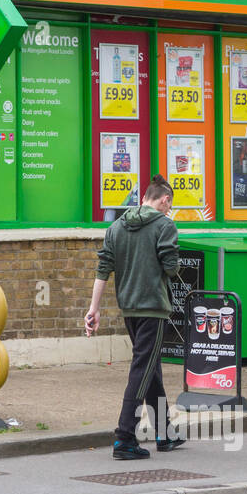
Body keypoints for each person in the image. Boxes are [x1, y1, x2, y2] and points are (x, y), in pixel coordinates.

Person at [84, 174, 186, 461]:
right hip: (153, 308)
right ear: (164, 200)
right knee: (141, 371)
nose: (168, 210)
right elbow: (171, 267)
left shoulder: (117, 227)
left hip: (128, 308)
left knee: (150, 368)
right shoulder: (165, 226)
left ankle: (165, 433)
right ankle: (125, 437)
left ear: (144, 198)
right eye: (169, 205)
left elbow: (104, 268)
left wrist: (94, 309)